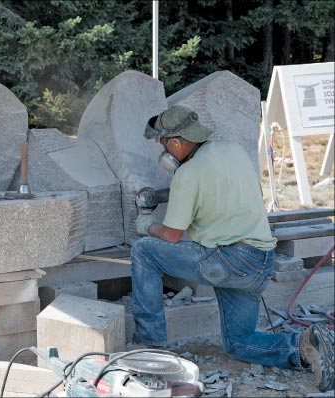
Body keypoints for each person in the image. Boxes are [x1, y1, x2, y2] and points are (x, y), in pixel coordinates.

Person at [132, 105, 334, 392]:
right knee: (239, 343)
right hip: (260, 261)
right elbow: (232, 189)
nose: (162, 151)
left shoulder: (188, 176)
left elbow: (172, 235)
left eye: (163, 143)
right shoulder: (231, 150)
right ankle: (305, 345)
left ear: (176, 143)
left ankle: (150, 345)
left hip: (228, 262)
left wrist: (145, 224)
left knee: (144, 251)